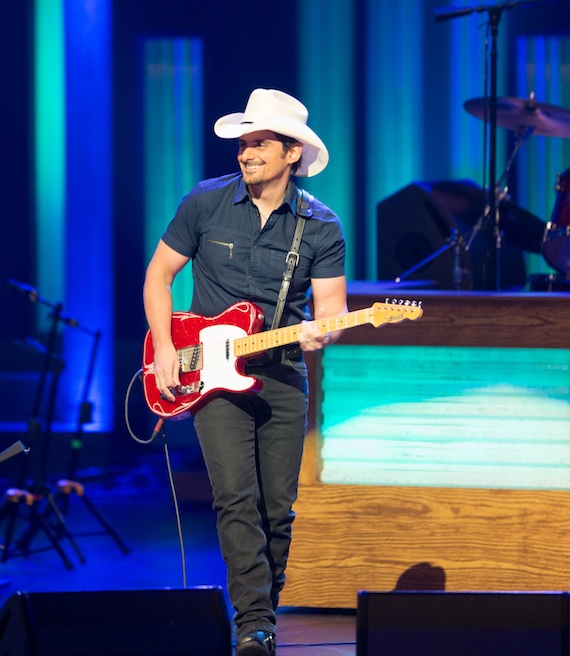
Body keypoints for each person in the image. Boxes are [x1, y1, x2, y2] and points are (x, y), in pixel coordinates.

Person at [143, 88, 347, 656]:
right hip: (210, 376)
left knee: (276, 510)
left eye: (259, 142)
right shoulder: (204, 204)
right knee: (236, 498)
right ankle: (253, 626)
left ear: (291, 154)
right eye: (243, 142)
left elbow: (331, 311)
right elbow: (158, 277)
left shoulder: (321, 226)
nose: (246, 152)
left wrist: (322, 332)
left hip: (282, 375)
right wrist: (163, 350)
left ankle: (264, 612)